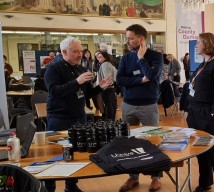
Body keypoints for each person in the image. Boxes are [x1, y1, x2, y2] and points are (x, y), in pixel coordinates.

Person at [44, 36, 113, 192]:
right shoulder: (53, 68)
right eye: (75, 51)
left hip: (78, 117)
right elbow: (54, 91)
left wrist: (100, 87)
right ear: (64, 52)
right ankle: (49, 188)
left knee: (75, 153)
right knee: (55, 155)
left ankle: (71, 186)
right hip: (59, 118)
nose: (80, 54)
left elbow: (86, 93)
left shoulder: (80, 69)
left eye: (81, 51)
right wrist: (77, 82)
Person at [116, 24, 163, 192]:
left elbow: (151, 75)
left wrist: (141, 58)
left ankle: (155, 177)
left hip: (148, 106)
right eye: (127, 37)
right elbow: (120, 79)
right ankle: (132, 177)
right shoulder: (126, 58)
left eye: (130, 38)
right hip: (128, 105)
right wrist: (138, 80)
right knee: (128, 143)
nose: (127, 41)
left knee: (153, 141)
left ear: (141, 39)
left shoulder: (156, 56)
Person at [187, 32, 214, 192]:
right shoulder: (204, 64)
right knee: (200, 149)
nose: (196, 45)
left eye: (198, 42)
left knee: (213, 150)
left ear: (207, 43)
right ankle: (205, 182)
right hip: (196, 111)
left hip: (209, 113)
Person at [96, 51, 117, 120]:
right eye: (97, 57)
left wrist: (107, 84)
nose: (98, 59)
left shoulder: (105, 64)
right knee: (112, 105)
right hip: (111, 87)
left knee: (108, 105)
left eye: (100, 57)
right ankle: (111, 120)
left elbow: (107, 78)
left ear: (105, 57)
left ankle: (109, 121)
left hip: (107, 88)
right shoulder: (110, 63)